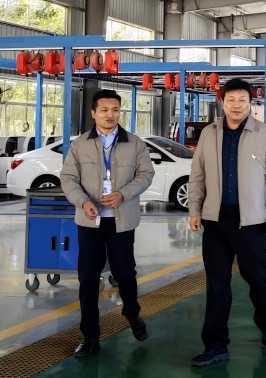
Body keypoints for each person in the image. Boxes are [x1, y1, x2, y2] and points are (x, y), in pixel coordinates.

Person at [187, 78, 266, 367]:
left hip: (252, 221)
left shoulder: (264, 133)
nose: (236, 105)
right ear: (222, 102)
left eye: (242, 99)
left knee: (258, 279)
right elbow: (198, 174)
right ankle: (215, 344)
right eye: (231, 99)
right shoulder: (209, 133)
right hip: (216, 221)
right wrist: (195, 209)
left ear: (250, 103)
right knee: (217, 284)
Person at [60, 89, 155, 357]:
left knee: (125, 273)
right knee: (88, 278)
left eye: (115, 110)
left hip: (121, 221)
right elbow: (68, 178)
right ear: (94, 113)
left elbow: (146, 174)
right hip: (90, 221)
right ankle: (90, 336)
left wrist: (124, 194)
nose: (110, 115)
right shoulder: (80, 144)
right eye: (104, 110)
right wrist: (82, 202)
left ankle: (132, 313)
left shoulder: (134, 144)